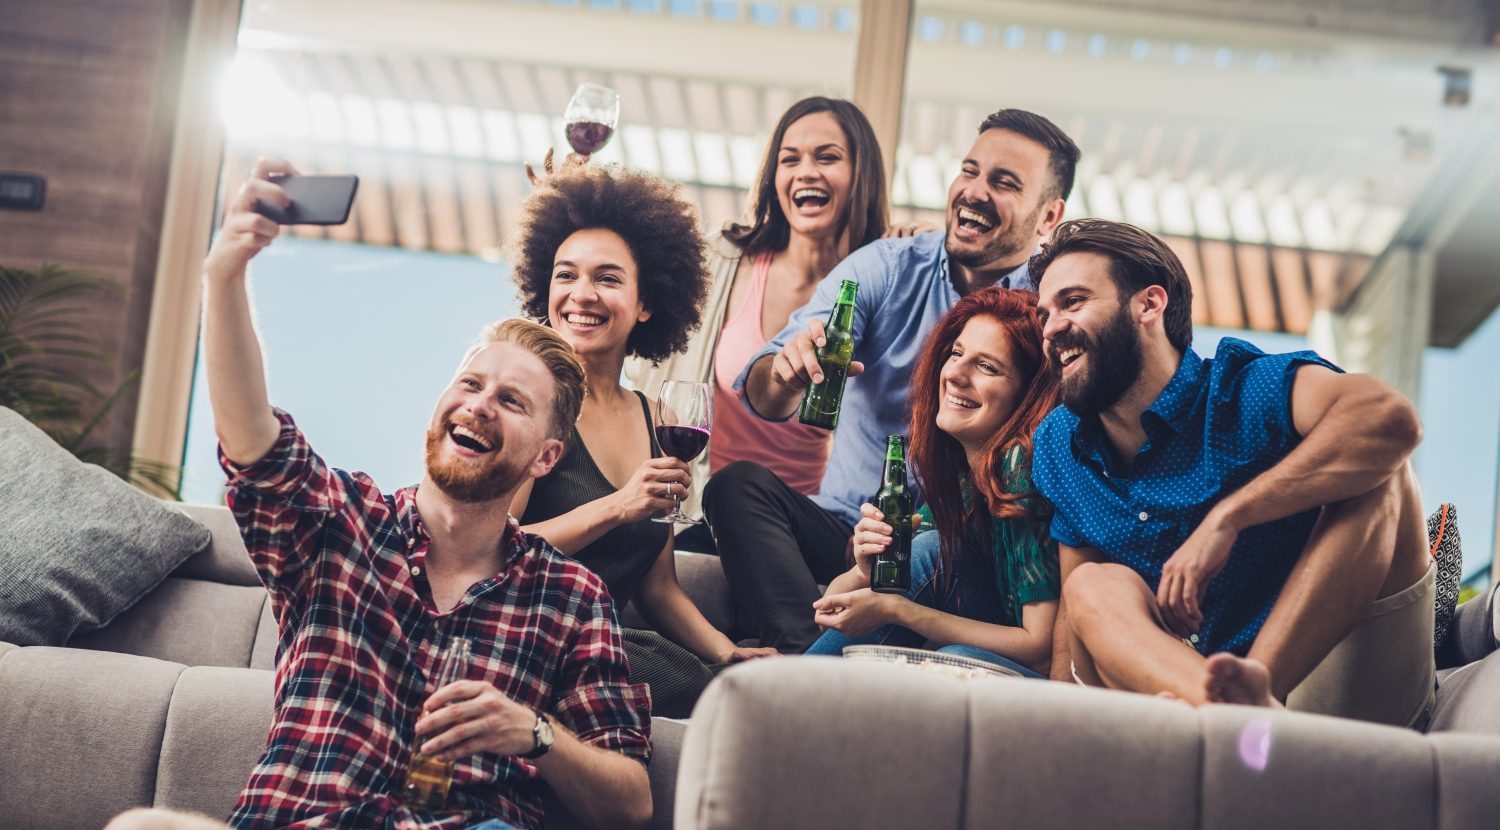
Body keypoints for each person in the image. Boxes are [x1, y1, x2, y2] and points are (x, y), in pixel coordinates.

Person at [107, 160, 652, 830]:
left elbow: (631, 802)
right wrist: (226, 271)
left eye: (511, 401)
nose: (479, 406)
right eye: (470, 384)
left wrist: (535, 732)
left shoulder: (570, 598)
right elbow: (251, 434)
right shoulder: (340, 525)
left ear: (547, 455)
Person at [1030, 218, 1435, 728]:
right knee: (1090, 583)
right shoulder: (1056, 446)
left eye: (1073, 302)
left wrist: (1229, 517)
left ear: (1149, 305)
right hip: (1181, 687)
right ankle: (1240, 720)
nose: (1049, 328)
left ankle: (1250, 704)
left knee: (1379, 472)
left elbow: (1390, 420)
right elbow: (1079, 619)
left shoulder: (1248, 389)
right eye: (1044, 312)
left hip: (1335, 687)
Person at [704, 108, 1081, 653]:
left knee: (925, 547)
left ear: (1048, 216)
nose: (974, 192)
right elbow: (764, 392)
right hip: (852, 529)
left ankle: (803, 672)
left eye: (1003, 182)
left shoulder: (1050, 310)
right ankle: (797, 651)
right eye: (969, 171)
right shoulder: (885, 266)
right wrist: (788, 370)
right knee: (737, 487)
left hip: (969, 541)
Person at [508, 165, 777, 719]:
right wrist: (619, 505)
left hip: (601, 646)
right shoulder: (522, 402)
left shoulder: (655, 418)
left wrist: (730, 655)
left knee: (747, 686)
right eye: (565, 275)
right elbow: (490, 555)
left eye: (607, 278)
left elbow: (658, 589)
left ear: (646, 302)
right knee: (735, 703)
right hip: (522, 639)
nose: (581, 295)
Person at [625, 96, 926, 549]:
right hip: (708, 510)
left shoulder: (886, 281)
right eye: (790, 159)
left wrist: (919, 257)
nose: (806, 171)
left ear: (861, 175)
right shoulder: (720, 262)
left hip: (816, 526)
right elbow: (627, 313)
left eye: (827, 157)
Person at [806, 288, 1062, 677]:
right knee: (926, 558)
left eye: (987, 367)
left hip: (1050, 682)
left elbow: (1041, 648)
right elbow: (830, 613)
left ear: (1026, 395)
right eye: (957, 353)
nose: (956, 374)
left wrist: (899, 609)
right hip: (996, 655)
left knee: (950, 636)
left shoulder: (1019, 469)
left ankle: (772, 703)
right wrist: (864, 569)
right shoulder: (964, 477)